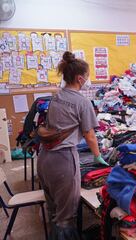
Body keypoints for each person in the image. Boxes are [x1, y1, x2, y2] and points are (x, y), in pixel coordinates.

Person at [37, 51, 107, 239]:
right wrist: (97, 156)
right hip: (63, 159)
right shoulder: (82, 102)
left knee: (54, 210)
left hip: (44, 158)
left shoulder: (56, 97)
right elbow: (90, 136)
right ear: (79, 78)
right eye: (87, 76)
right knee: (66, 217)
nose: (88, 79)